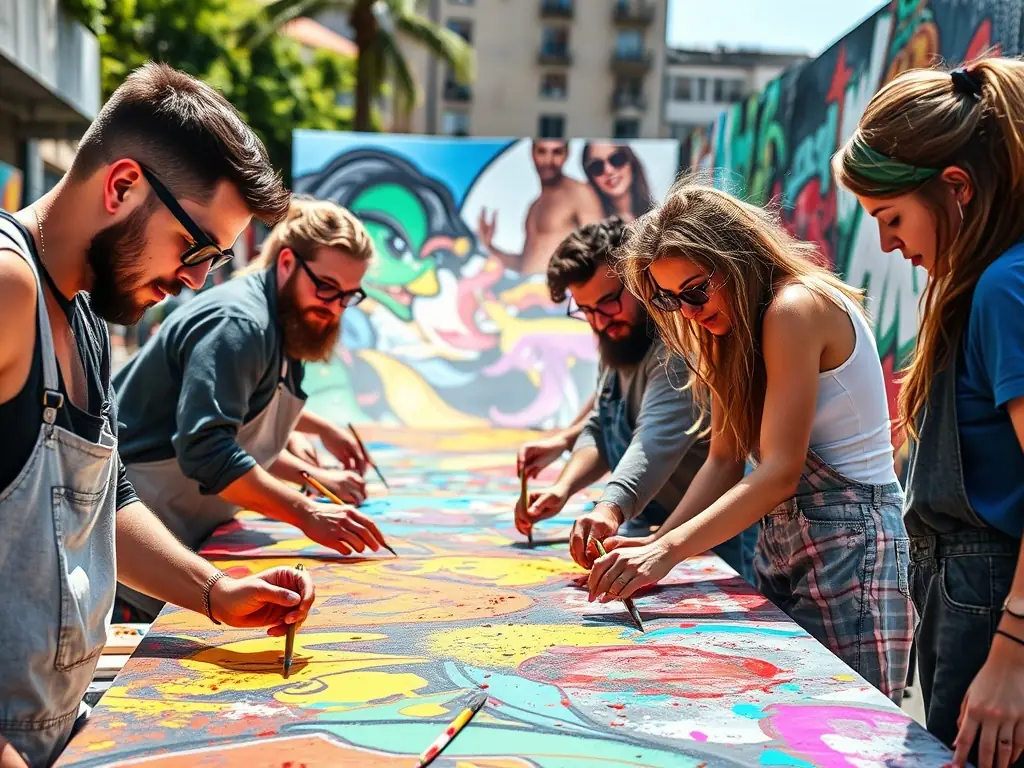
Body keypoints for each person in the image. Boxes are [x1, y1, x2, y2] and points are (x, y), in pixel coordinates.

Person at [0, 62, 314, 768]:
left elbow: (103, 499)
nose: (197, 280)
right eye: (197, 248)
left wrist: (213, 590)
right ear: (122, 186)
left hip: (54, 730)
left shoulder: (80, 310)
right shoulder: (7, 288)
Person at [584, 183, 914, 705]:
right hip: (783, 542)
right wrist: (656, 544)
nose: (687, 311)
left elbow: (780, 469)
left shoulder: (794, 306)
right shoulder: (731, 329)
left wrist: (667, 551)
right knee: (785, 724)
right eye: (670, 299)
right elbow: (724, 460)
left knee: (844, 732)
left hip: (851, 547)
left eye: (695, 290)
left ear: (736, 259)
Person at [834, 59, 1024, 768]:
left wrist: (1011, 653)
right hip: (971, 606)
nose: (886, 244)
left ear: (957, 189)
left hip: (996, 615)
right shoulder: (987, 284)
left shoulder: (1006, 287)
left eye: (891, 218)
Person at [113, 198, 387, 622]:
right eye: (327, 287)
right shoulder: (239, 324)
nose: (334, 306)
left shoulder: (285, 321)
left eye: (349, 296)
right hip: (133, 548)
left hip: (174, 536)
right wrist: (305, 510)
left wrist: (315, 470)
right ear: (287, 263)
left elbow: (247, 437)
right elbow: (208, 450)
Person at [516, 217, 757, 581]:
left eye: (609, 302)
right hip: (657, 530)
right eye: (587, 310)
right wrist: (561, 487)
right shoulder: (617, 338)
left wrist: (611, 507)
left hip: (712, 535)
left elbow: (654, 441)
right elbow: (602, 421)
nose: (599, 321)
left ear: (638, 281)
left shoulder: (676, 350)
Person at [477, 140, 603, 275]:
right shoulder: (534, 207)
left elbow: (599, 253)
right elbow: (524, 264)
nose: (548, 160)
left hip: (560, 291)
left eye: (557, 152)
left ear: (567, 154)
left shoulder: (580, 193)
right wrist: (490, 247)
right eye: (542, 151)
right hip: (530, 289)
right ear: (532, 153)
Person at [582, 142, 653, 222]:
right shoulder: (588, 225)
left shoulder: (659, 218)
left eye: (617, 159)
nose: (609, 170)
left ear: (631, 163)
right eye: (596, 166)